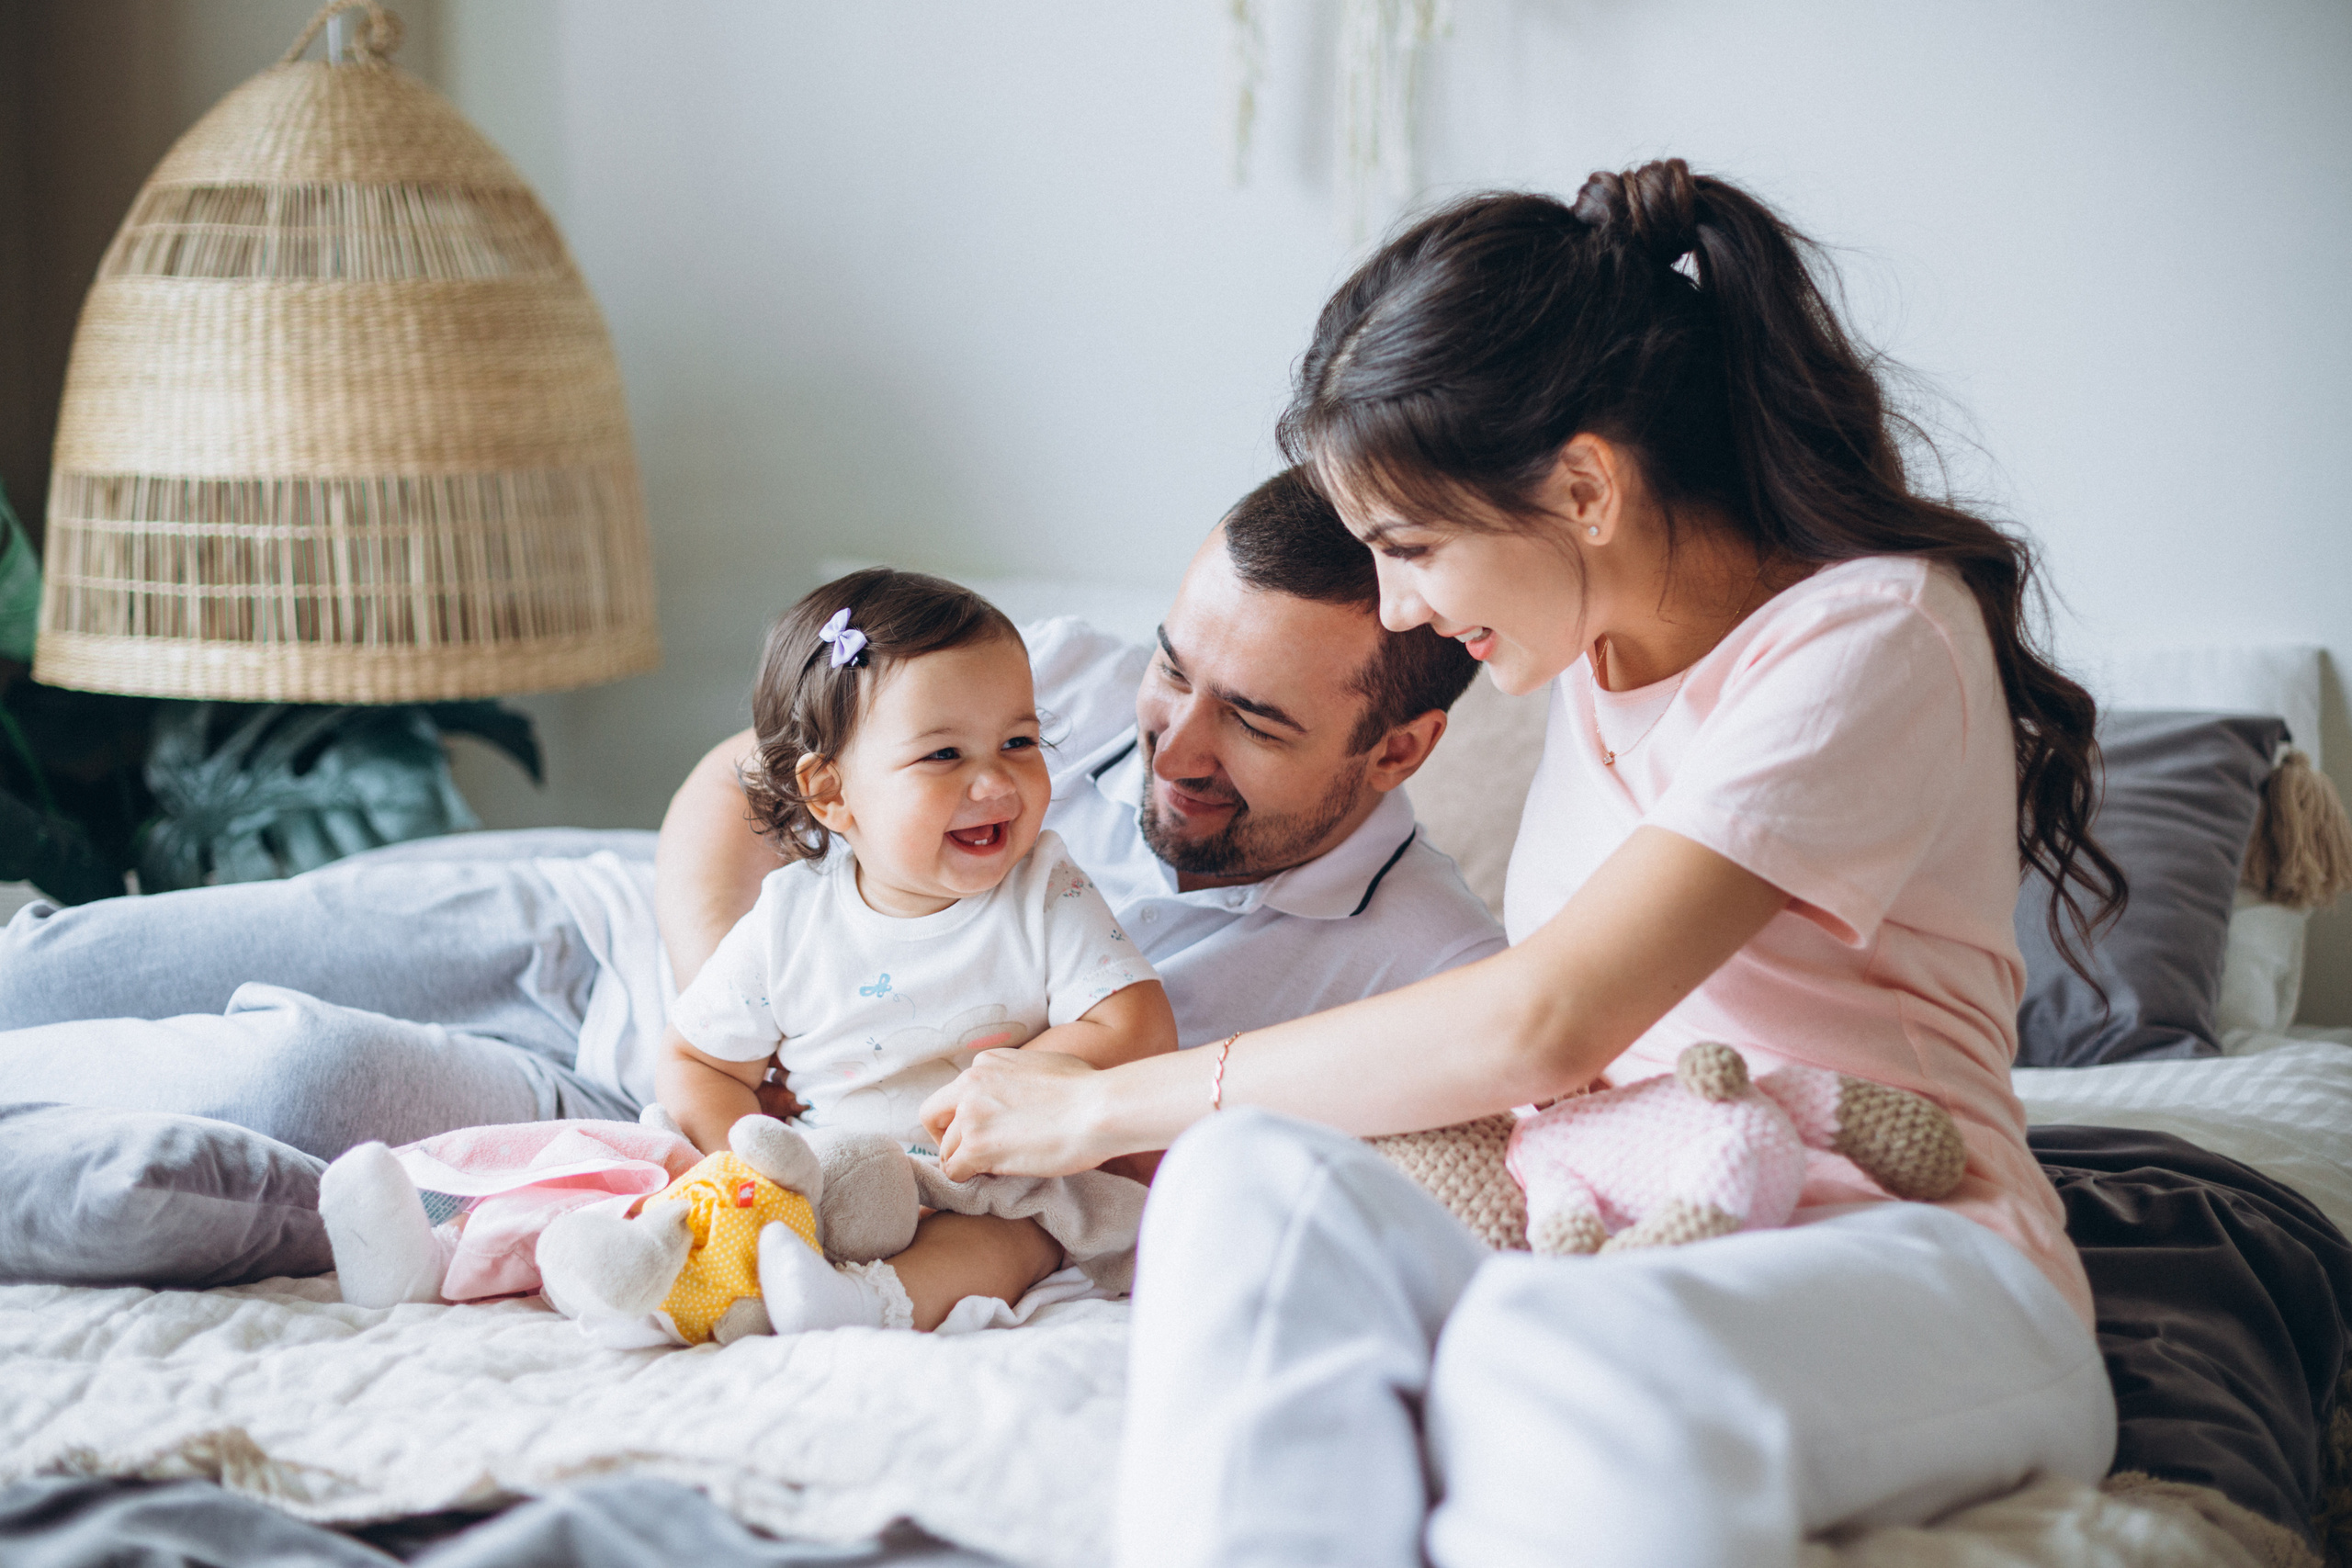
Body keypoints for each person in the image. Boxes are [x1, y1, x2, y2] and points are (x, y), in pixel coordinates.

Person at [917, 161, 2126, 1568]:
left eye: (1410, 545)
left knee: (1546, 1348)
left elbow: (1548, 1019)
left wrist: (1093, 1102)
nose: (1397, 604)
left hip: (1904, 1247)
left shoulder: (1874, 634)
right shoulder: (1585, 651)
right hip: (1600, 1221)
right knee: (1250, 1183)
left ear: (1587, 485)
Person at [0, 472, 1501, 1190]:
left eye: (1256, 720)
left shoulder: (1421, 970)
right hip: (606, 937)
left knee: (287, 1069)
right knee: (51, 967)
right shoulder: (1062, 681)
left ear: (1403, 745)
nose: (1167, 737)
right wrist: (739, 1000)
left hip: (647, 1127)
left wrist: (752, 1128)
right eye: (1180, 665)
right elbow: (743, 782)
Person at [317, 570, 1177, 1336]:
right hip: (806, 1166)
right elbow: (695, 1058)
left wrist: (1030, 1075)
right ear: (832, 792)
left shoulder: (1043, 887)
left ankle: (865, 1303)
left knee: (1017, 1240)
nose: (995, 781)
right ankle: (441, 1255)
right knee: (631, 1174)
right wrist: (756, 1158)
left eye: (1019, 743)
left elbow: (1136, 1020)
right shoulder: (791, 916)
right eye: (944, 755)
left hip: (965, 1175)